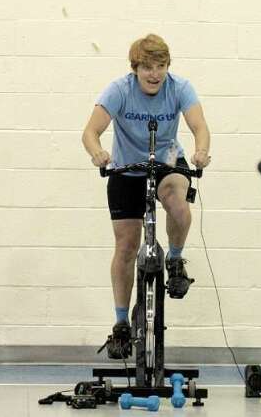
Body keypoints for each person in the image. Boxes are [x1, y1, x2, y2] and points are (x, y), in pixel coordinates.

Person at [82, 34, 211, 359]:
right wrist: (98, 153)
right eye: (147, 68)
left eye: (161, 67)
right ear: (135, 68)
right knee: (126, 247)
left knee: (177, 203)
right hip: (127, 168)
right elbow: (90, 132)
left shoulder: (179, 88)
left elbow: (199, 126)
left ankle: (175, 260)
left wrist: (201, 151)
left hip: (167, 163)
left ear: (168, 67)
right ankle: (122, 324)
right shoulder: (119, 90)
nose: (155, 74)